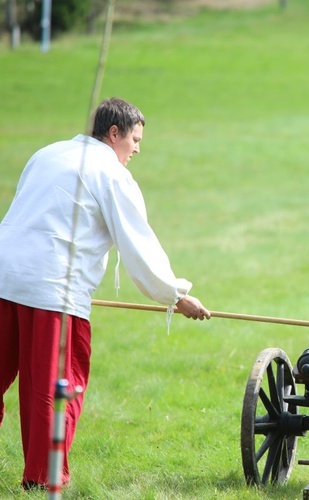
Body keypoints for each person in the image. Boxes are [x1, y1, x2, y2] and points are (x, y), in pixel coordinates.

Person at [0, 97, 211, 490]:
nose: (137, 150)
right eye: (135, 139)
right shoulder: (110, 173)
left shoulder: (46, 152)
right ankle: (42, 481)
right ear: (114, 133)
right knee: (54, 388)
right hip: (52, 291)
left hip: (3, 278)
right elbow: (138, 244)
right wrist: (175, 296)